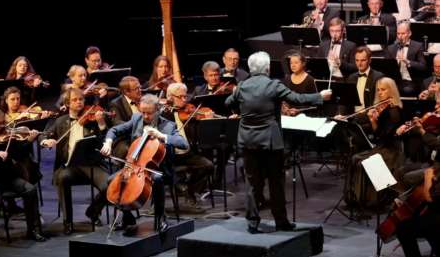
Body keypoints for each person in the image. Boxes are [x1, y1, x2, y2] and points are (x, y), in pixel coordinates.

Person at [224, 51, 332, 233]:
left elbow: (228, 103)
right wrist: (320, 96)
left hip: (248, 141)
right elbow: (297, 99)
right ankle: (281, 221)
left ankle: (252, 223)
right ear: (267, 68)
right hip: (271, 142)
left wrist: (241, 107)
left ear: (251, 69)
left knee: (252, 183)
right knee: (276, 182)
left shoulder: (242, 86)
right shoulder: (273, 85)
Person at [100, 94, 189, 234]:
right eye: (143, 112)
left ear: (158, 110)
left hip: (159, 169)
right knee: (112, 180)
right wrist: (108, 142)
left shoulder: (168, 126)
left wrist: (161, 136)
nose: (145, 116)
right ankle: (127, 217)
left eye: (149, 113)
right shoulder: (136, 119)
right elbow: (114, 130)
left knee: (158, 179)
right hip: (135, 166)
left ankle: (160, 218)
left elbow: (184, 144)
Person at [40, 88, 109, 235]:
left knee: (108, 185)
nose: (79, 102)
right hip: (68, 166)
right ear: (67, 103)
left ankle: (93, 211)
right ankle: (68, 222)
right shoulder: (60, 121)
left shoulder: (91, 120)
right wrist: (46, 141)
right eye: (75, 100)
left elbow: (103, 139)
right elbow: (44, 135)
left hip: (90, 165)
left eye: (81, 99)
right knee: (63, 178)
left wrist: (101, 123)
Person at [0, 107, 46, 241]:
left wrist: (29, 141)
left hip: (7, 177)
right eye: (0, 123)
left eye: (4, 123)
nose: (3, 126)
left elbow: (18, 153)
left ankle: (33, 229)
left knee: (30, 190)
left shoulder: (7, 135)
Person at [348, 77, 404, 209]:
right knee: (355, 158)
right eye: (378, 90)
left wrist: (374, 122)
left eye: (383, 90)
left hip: (391, 150)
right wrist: (373, 120)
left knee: (361, 161)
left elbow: (385, 136)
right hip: (381, 146)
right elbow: (378, 135)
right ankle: (355, 198)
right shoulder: (382, 108)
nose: (380, 93)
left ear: (391, 91)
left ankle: (370, 201)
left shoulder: (393, 110)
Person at [162, 83, 214, 212]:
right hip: (171, 155)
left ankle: (189, 189)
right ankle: (183, 190)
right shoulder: (163, 114)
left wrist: (206, 121)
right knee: (172, 172)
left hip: (188, 152)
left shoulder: (189, 113)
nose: (185, 100)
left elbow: (199, 134)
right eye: (180, 97)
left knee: (208, 166)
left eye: (185, 96)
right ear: (170, 97)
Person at [385, 21, 427, 96]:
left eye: (403, 33)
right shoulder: (391, 48)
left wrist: (407, 61)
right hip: (395, 80)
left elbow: (423, 66)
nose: (400, 36)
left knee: (407, 90)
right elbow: (386, 68)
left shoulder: (418, 46)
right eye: (398, 34)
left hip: (410, 81)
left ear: (409, 33)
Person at [347, 46, 385, 111]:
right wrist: (340, 114)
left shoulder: (378, 77)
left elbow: (379, 104)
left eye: (363, 60)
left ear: (370, 60)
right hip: (352, 116)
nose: (359, 64)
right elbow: (347, 100)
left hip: (369, 117)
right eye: (357, 60)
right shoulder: (351, 77)